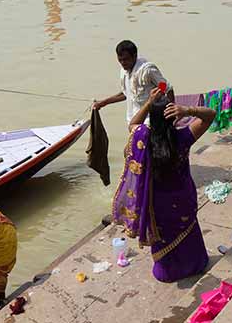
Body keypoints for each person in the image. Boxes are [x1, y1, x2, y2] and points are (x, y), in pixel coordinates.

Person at [112, 88, 216, 283]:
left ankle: (168, 271)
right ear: (173, 118)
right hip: (182, 199)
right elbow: (211, 115)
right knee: (187, 231)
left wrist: (148, 104)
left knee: (163, 236)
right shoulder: (183, 137)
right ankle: (194, 264)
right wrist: (187, 110)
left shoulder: (142, 138)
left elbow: (133, 123)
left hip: (156, 206)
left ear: (152, 118)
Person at [91, 39, 167, 125]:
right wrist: (103, 103)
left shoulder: (147, 70)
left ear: (134, 56)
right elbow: (126, 93)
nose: (123, 63)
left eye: (126, 59)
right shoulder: (124, 71)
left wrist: (170, 114)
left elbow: (166, 87)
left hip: (151, 118)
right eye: (120, 60)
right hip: (135, 119)